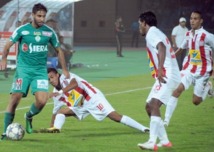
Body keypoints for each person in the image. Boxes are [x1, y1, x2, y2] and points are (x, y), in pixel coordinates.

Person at [0, 3, 69, 140]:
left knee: (42, 101)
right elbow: (8, 45)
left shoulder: (49, 32)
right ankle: (5, 132)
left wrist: (65, 69)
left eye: (43, 16)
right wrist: (4, 59)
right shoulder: (22, 30)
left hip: (39, 71)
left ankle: (29, 116)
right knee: (15, 99)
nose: (42, 19)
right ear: (32, 15)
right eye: (39, 16)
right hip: (23, 70)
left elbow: (59, 50)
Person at [43, 68, 150, 134]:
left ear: (57, 74)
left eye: (52, 77)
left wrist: (61, 91)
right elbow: (55, 111)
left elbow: (74, 84)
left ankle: (143, 128)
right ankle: (56, 129)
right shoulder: (55, 94)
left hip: (92, 97)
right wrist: (51, 126)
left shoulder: (67, 77)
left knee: (115, 117)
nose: (51, 80)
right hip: (81, 105)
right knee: (61, 112)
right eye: (49, 79)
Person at [137, 11, 181, 151]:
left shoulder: (152, 33)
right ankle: (164, 140)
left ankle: (152, 141)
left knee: (154, 104)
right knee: (149, 107)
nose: (139, 27)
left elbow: (161, 46)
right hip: (168, 73)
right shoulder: (157, 32)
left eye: (140, 24)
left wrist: (160, 69)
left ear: (145, 23)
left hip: (168, 74)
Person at [163, 10, 214, 127]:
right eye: (191, 18)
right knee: (177, 90)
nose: (192, 20)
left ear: (201, 21)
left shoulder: (206, 36)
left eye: (195, 18)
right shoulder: (188, 34)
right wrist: (169, 59)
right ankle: (166, 121)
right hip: (189, 69)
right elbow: (181, 49)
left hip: (203, 71)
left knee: (196, 101)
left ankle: (208, 86)